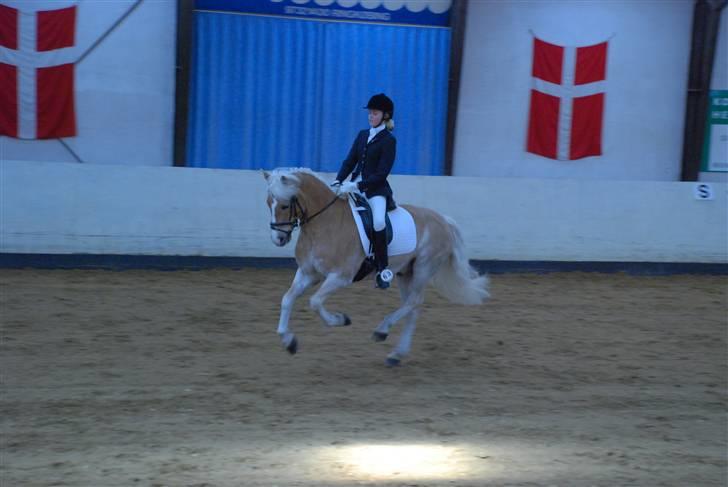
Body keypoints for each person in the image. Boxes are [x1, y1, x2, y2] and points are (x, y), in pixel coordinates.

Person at [332, 93, 397, 289]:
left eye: (374, 113)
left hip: (375, 191)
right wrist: (338, 180)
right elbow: (350, 160)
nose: (370, 116)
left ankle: (382, 269)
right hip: (352, 185)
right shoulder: (362, 135)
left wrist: (358, 186)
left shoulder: (389, 140)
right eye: (370, 113)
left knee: (378, 221)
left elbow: (382, 173)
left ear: (385, 116)